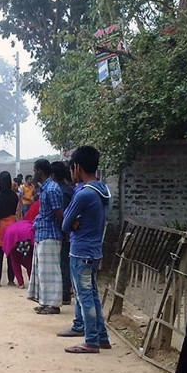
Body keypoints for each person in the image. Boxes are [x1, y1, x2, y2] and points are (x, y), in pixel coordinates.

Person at [59, 146, 112, 353]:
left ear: (78, 167)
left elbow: (65, 223)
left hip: (81, 251)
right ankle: (102, 337)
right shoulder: (102, 190)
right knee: (93, 294)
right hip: (95, 249)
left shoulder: (84, 194)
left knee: (84, 297)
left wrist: (74, 222)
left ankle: (91, 341)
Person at [29, 160, 65, 314]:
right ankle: (45, 302)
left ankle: (53, 304)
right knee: (43, 272)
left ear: (40, 171)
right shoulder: (46, 189)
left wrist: (63, 231)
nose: (33, 174)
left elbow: (59, 213)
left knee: (51, 271)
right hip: (43, 233)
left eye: (35, 170)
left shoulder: (51, 189)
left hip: (50, 234)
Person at [51, 162, 75, 305]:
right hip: (66, 232)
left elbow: (63, 215)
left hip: (63, 233)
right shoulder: (68, 189)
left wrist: (64, 231)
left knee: (63, 263)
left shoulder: (61, 191)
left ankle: (65, 294)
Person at [3, 201, 39, 288]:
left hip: (13, 239)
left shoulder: (11, 227)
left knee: (15, 261)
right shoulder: (30, 224)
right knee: (29, 261)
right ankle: (31, 281)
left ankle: (20, 283)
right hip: (27, 238)